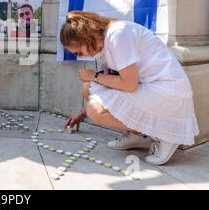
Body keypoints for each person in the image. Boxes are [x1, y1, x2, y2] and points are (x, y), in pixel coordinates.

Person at [61, 11, 199, 165]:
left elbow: (129, 84)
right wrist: (82, 113)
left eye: (79, 51)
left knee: (95, 109)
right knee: (88, 88)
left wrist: (94, 76)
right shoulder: (102, 44)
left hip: (167, 90)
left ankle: (166, 136)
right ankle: (137, 134)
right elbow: (112, 81)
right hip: (148, 87)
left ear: (85, 37)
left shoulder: (118, 34)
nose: (80, 55)